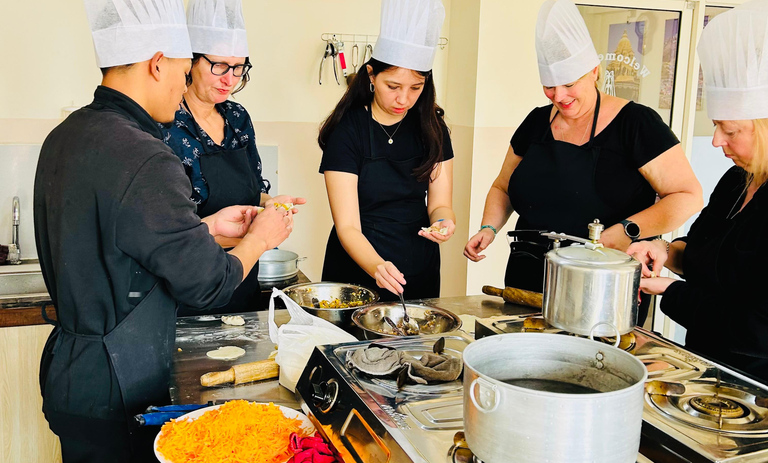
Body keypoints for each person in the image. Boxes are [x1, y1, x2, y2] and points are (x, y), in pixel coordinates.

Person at [33, 1, 296, 463]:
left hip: (73, 370)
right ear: (158, 63)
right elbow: (209, 283)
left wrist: (206, 227)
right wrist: (261, 236)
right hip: (119, 381)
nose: (180, 90)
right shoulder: (146, 154)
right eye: (181, 71)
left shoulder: (65, 136)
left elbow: (117, 245)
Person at [463, 0, 703, 300]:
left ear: (594, 71)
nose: (559, 96)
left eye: (568, 83)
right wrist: (489, 227)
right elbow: (503, 186)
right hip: (528, 277)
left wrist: (627, 229)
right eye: (549, 86)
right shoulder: (537, 122)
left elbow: (688, 197)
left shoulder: (637, 124)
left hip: (602, 285)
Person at [628, 0, 768, 383]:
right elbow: (706, 257)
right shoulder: (736, 180)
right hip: (706, 369)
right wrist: (663, 250)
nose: (716, 141)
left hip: (755, 391)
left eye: (730, 130)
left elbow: (757, 332)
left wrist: (670, 293)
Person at [162, 0, 305, 315]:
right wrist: (258, 234)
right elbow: (166, 235)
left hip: (243, 279)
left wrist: (273, 205)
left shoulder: (238, 117)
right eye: (220, 66)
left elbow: (253, 190)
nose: (230, 79)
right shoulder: (166, 126)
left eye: (239, 68)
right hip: (188, 290)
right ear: (191, 62)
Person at [318, 0, 455, 301]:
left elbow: (440, 204)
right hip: (358, 267)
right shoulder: (348, 132)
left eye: (415, 88)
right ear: (371, 75)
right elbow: (348, 225)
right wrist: (377, 266)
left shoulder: (434, 129)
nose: (403, 99)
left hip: (419, 268)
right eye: (393, 86)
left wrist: (443, 222)